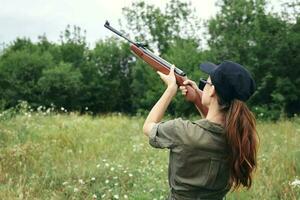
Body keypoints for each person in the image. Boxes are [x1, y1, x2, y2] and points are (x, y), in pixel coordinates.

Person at [143, 60, 259, 200]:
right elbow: (213, 128)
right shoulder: (239, 138)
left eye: (206, 83)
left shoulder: (181, 131)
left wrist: (170, 89)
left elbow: (148, 126)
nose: (203, 86)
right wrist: (197, 98)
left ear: (213, 91)